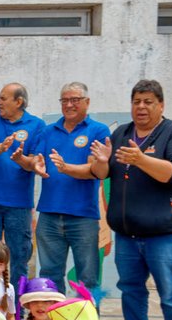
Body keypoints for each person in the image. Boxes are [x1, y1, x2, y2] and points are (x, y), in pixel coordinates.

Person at [89, 79, 172, 320]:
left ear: (160, 105)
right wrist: (99, 163)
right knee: (131, 290)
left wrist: (142, 159)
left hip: (167, 234)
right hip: (128, 232)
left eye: (148, 101)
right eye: (137, 101)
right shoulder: (122, 133)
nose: (141, 107)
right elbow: (103, 172)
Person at [13, 82, 110, 297]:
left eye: (75, 100)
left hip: (83, 217)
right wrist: (25, 161)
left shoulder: (98, 130)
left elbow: (95, 169)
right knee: (49, 276)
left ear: (87, 102)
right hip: (49, 216)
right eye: (65, 100)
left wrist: (66, 168)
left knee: (88, 277)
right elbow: (37, 161)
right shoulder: (48, 131)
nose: (69, 104)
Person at [0, 83, 45, 282]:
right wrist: (1, 147)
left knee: (19, 257)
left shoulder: (37, 125)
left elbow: (34, 162)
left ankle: (16, 308)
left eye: (3, 98)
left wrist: (21, 160)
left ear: (19, 102)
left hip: (19, 205)